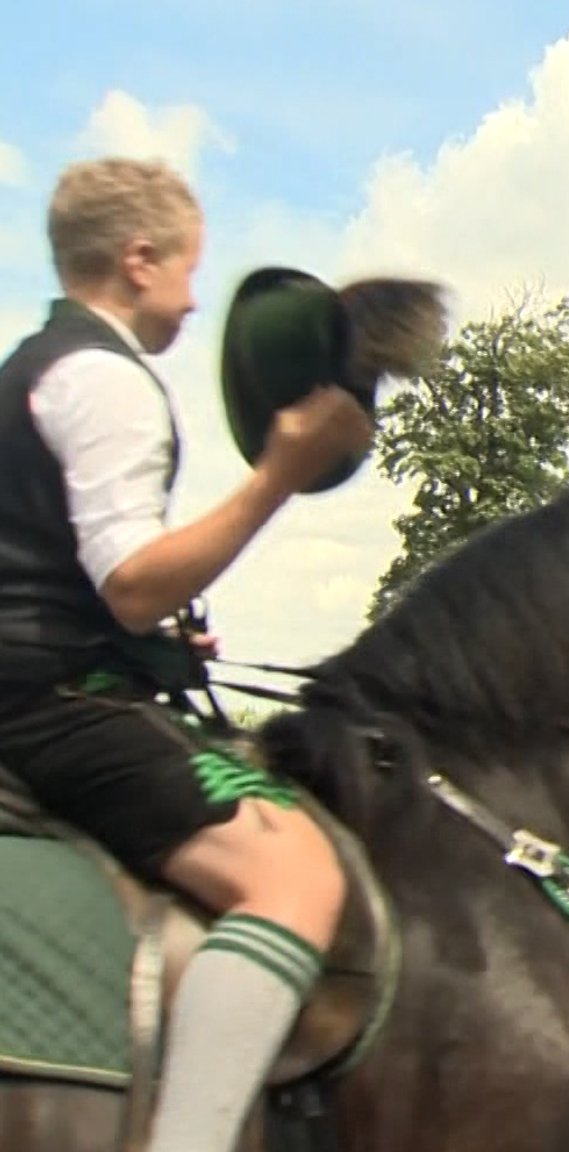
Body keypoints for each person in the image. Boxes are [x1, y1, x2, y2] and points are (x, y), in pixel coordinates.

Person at [0, 157, 375, 1152]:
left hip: (38, 677)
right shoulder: (107, 380)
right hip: (53, 703)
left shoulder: (37, 365)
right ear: (137, 258)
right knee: (295, 877)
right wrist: (279, 474)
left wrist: (164, 645)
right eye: (185, 270)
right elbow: (131, 581)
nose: (192, 297)